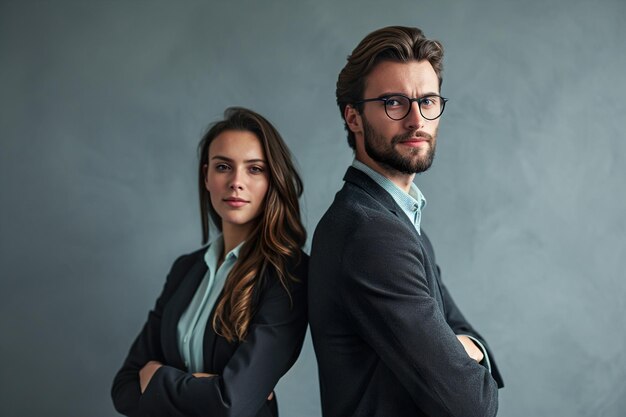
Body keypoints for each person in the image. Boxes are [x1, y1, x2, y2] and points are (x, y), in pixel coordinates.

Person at [308, 26, 505, 417]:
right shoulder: (370, 234)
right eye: (393, 103)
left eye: (428, 101)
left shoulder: (397, 218)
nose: (417, 120)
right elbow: (471, 403)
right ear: (354, 117)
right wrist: (459, 348)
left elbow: (464, 334)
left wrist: (465, 346)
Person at [111, 107, 308, 417]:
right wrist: (202, 388)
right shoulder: (185, 269)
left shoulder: (289, 275)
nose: (236, 182)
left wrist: (156, 378)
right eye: (223, 167)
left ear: (273, 180)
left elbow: (230, 404)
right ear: (206, 176)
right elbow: (122, 388)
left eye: (254, 169)